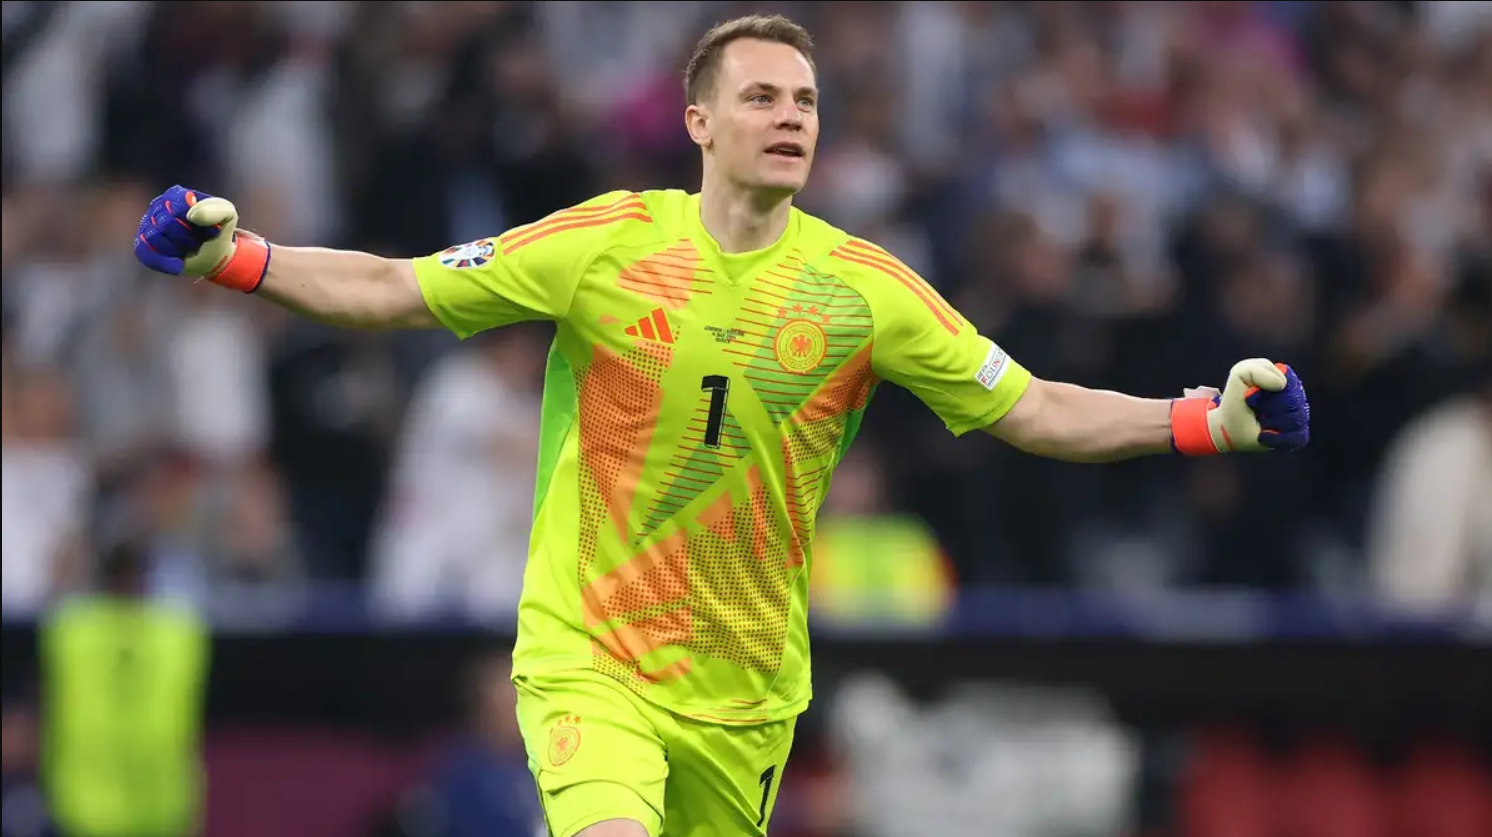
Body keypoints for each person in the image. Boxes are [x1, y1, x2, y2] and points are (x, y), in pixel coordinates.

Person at [130, 14, 1310, 837]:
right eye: (761, 97)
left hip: (745, 695)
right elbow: (395, 288)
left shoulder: (863, 292)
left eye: (805, 101)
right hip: (590, 657)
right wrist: (238, 258)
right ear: (698, 122)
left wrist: (1209, 424)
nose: (790, 116)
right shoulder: (607, 243)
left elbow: (1038, 408)